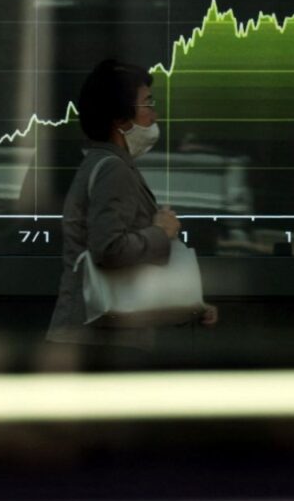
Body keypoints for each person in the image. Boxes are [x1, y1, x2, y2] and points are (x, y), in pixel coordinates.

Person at [46, 59, 217, 361]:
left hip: (97, 336)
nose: (154, 114)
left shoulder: (102, 163)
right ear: (120, 119)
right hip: (101, 342)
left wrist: (191, 304)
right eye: (147, 104)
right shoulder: (114, 170)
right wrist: (161, 232)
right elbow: (110, 249)